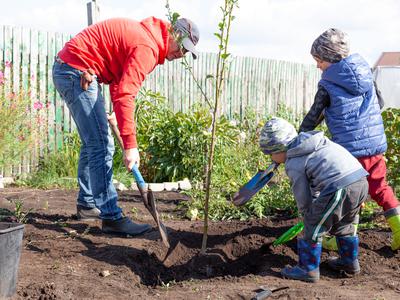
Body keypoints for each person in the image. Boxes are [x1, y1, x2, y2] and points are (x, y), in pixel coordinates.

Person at [52, 17, 199, 236]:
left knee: (94, 141)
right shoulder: (147, 47)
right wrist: (130, 145)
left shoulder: (148, 38)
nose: (181, 55)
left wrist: (112, 113)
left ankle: (87, 204)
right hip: (76, 71)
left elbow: (119, 83)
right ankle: (111, 217)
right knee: (101, 145)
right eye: (182, 47)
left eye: (187, 52)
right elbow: (126, 94)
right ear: (173, 34)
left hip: (77, 69)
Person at [299, 28, 400, 251]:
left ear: (329, 58)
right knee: (380, 188)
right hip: (374, 146)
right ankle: (399, 229)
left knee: (351, 195)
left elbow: (313, 117)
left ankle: (342, 240)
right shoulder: (366, 76)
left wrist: (300, 137)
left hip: (350, 153)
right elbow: (380, 103)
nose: (318, 66)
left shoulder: (327, 85)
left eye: (319, 61)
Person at [259, 117, 369, 282]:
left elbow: (302, 195)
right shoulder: (315, 143)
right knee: (344, 223)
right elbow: (319, 181)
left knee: (313, 224)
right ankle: (349, 263)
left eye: (270, 154)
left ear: (279, 149)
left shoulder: (294, 162)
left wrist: (307, 215)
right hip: (360, 180)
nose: (271, 159)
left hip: (340, 187)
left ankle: (307, 270)